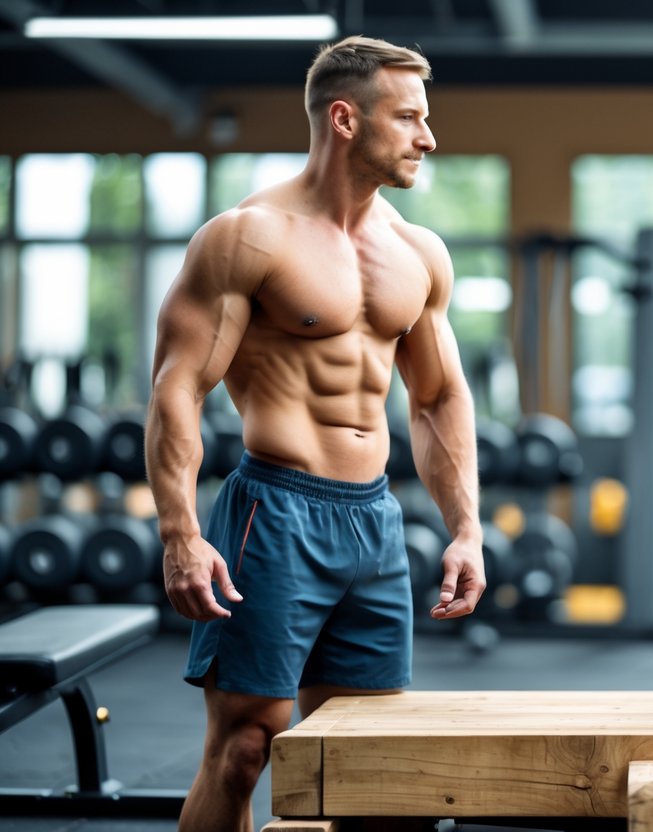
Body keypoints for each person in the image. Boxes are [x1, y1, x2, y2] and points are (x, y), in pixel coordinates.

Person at [145, 35, 485, 832]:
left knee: (361, 759)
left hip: (373, 520)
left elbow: (438, 397)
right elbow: (177, 392)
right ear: (343, 118)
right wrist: (180, 534)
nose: (427, 138)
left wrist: (465, 528)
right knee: (244, 746)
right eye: (408, 119)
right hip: (275, 514)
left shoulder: (417, 253)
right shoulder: (248, 237)